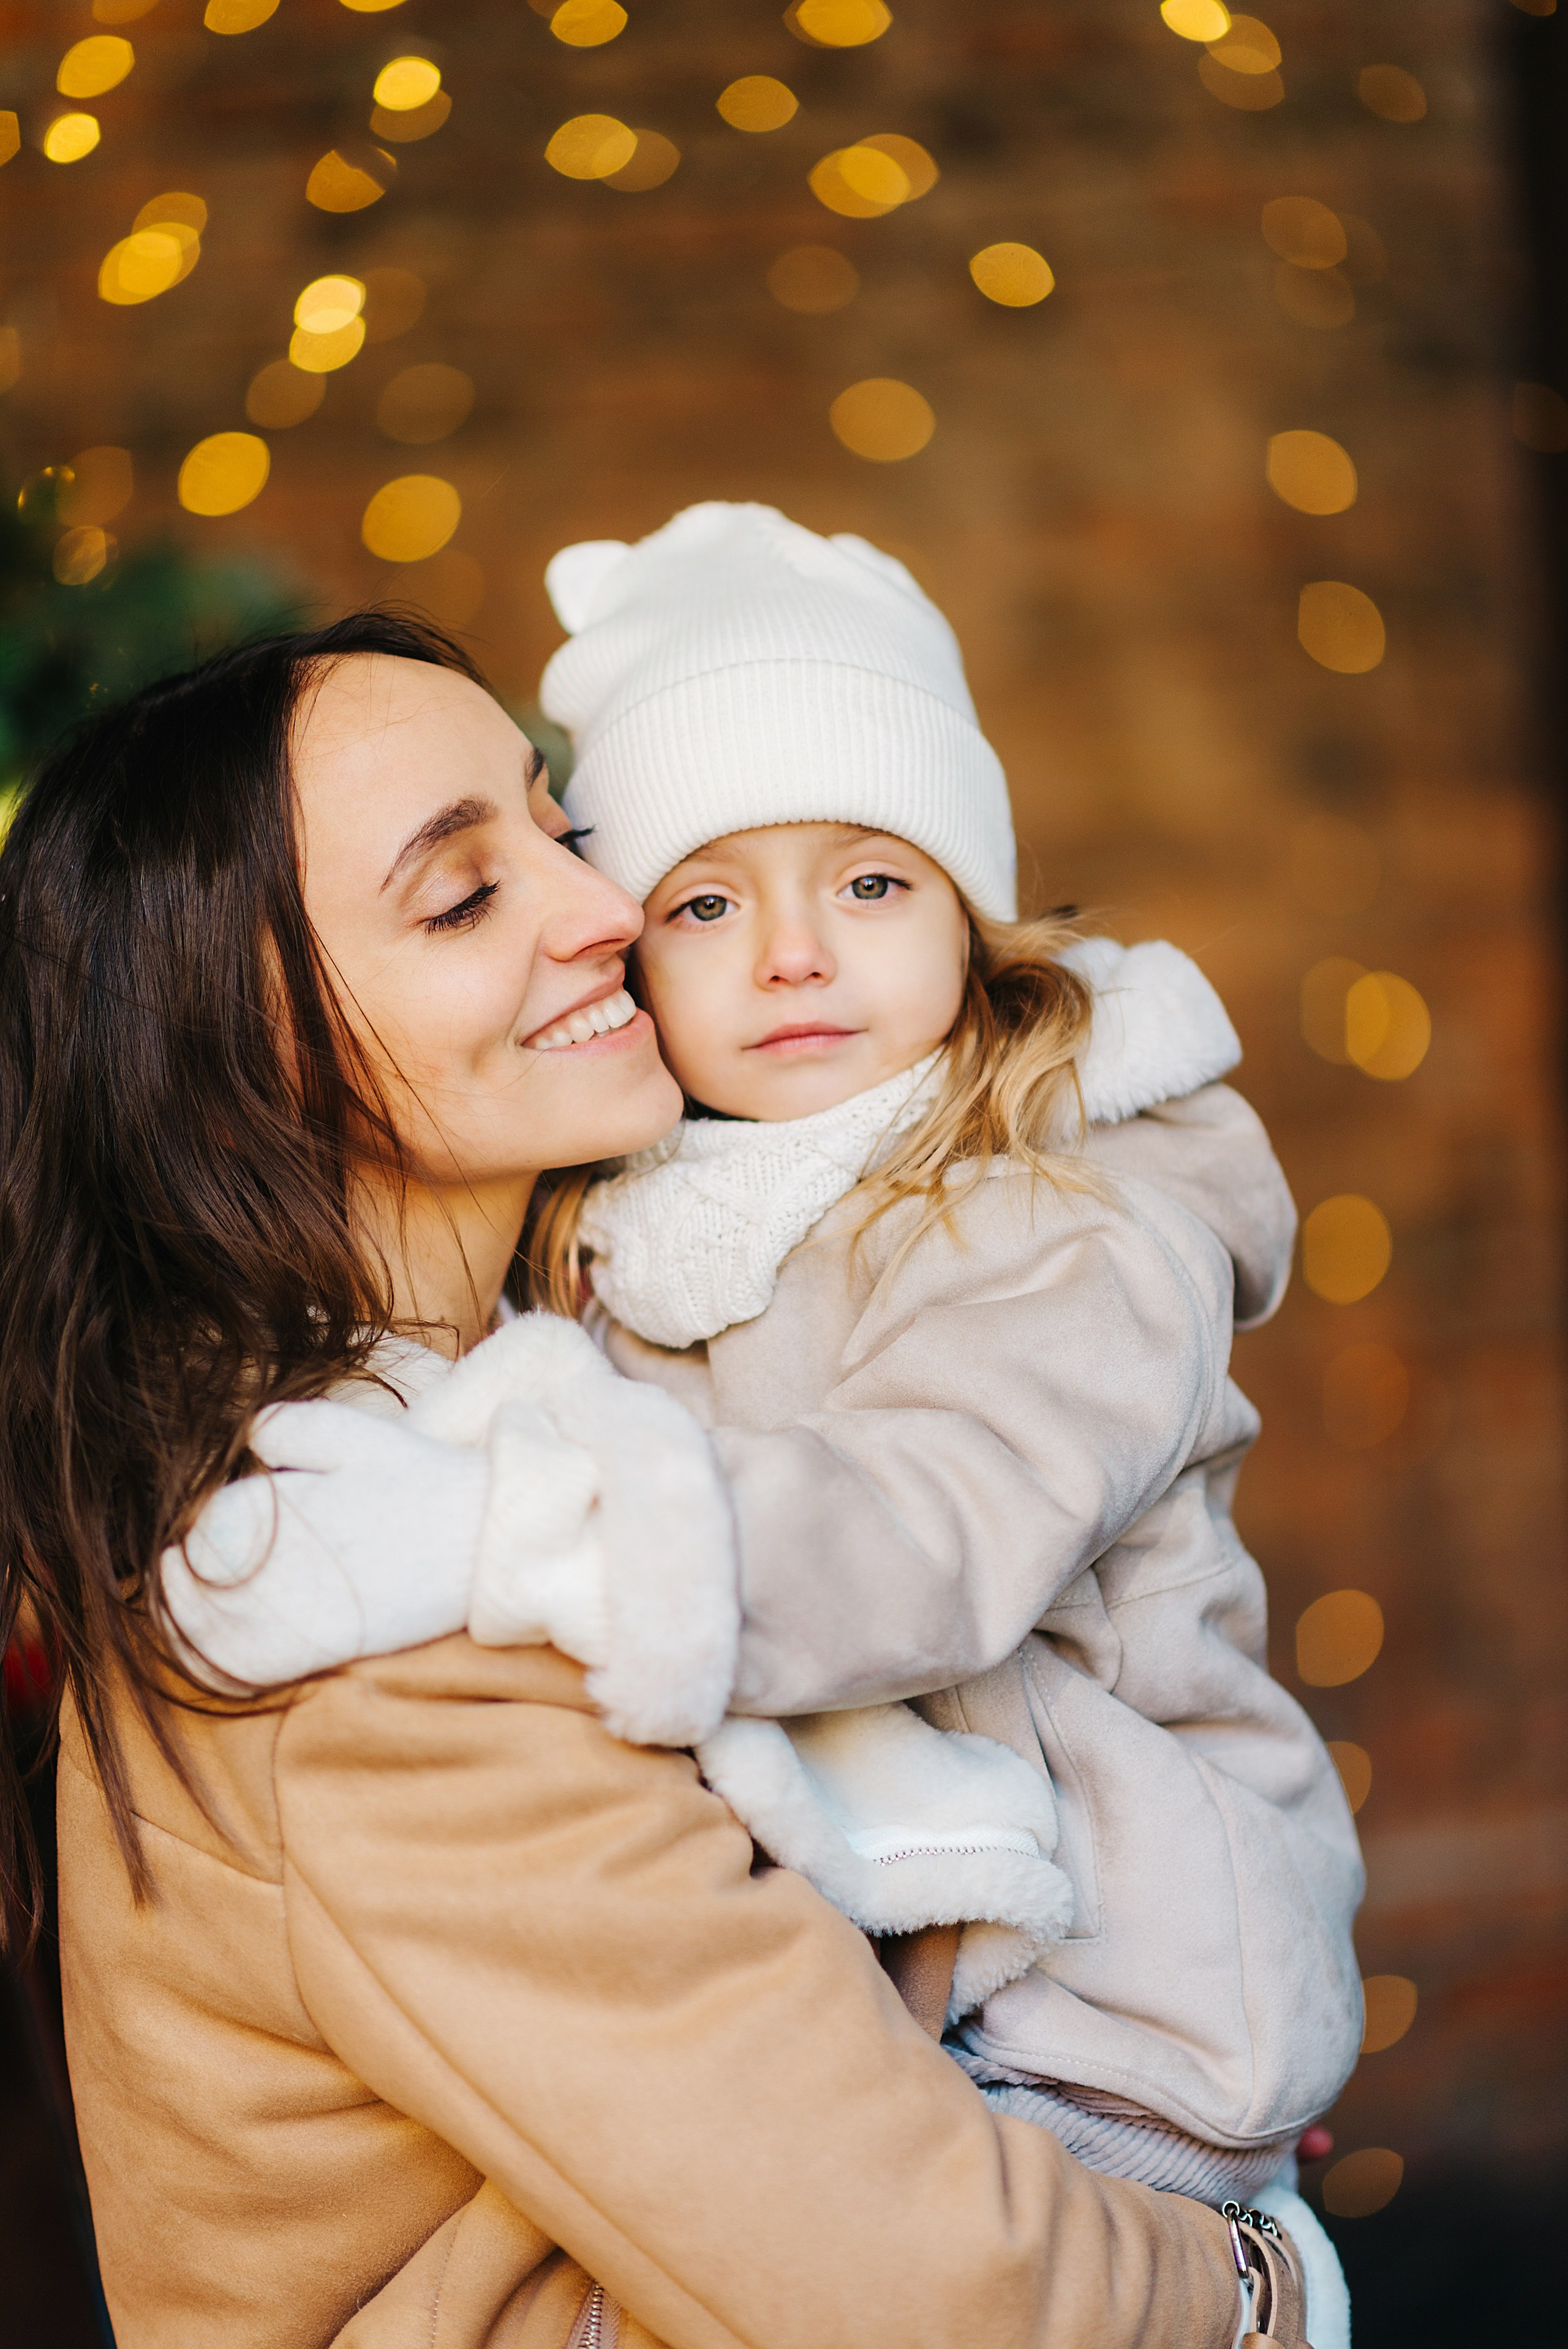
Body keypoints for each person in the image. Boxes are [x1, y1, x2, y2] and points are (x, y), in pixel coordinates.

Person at [0, 614, 1308, 2348]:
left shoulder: (579, 1360)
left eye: (558, 828)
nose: (607, 907)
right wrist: (1250, 2279)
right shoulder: (354, 1605)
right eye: (464, 897)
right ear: (244, 1071)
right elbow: (938, 2287)